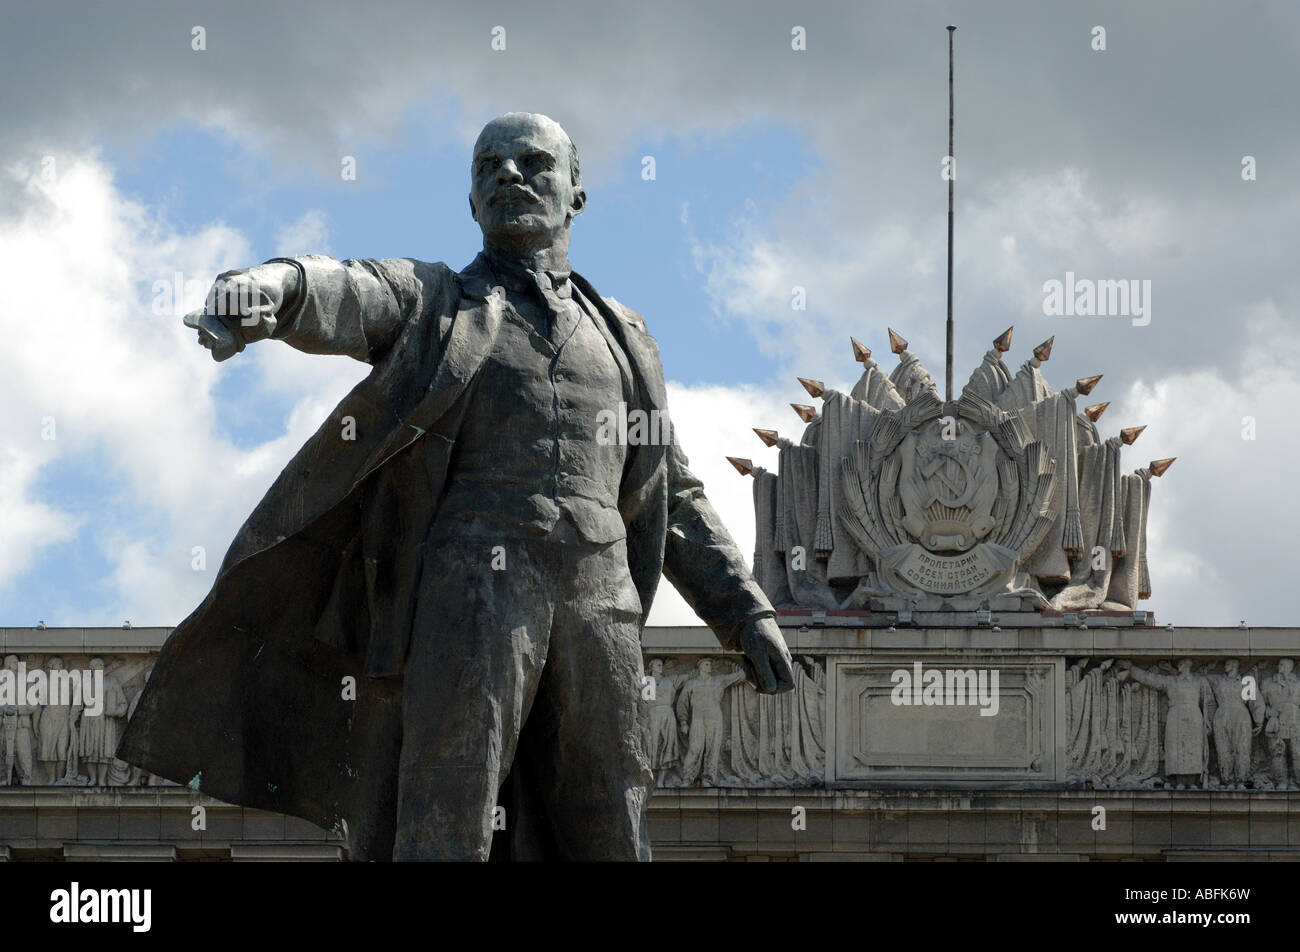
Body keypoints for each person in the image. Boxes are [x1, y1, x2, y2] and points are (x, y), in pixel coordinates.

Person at [119, 112, 794, 861]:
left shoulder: (626, 338)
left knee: (609, 806)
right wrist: (271, 288)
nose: (508, 175)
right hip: (468, 585)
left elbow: (673, 490)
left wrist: (743, 611)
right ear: (473, 204)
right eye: (488, 168)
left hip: (601, 597)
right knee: (450, 797)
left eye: (534, 162)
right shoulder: (438, 303)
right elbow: (352, 291)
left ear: (577, 195)